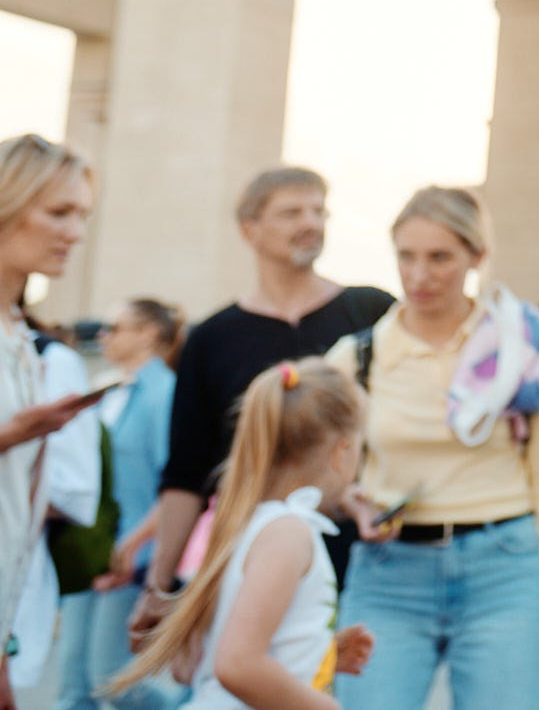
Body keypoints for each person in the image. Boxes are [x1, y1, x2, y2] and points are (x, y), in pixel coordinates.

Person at [331, 187, 539, 710]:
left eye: (439, 257)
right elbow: (320, 475)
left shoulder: (523, 348)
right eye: (406, 256)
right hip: (389, 575)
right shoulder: (356, 357)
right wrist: (351, 502)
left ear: (477, 256)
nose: (419, 275)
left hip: (504, 570)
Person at [138, 168, 394, 646]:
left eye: (318, 211)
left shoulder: (373, 313)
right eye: (292, 212)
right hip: (257, 562)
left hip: (370, 563)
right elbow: (187, 474)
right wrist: (159, 586)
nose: (310, 223)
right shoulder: (212, 338)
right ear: (249, 229)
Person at [113, 361, 371, 708]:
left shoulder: (253, 524)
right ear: (341, 452)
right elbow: (237, 665)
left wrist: (321, 653)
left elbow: (195, 666)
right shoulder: (288, 533)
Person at [0, 133, 103, 709]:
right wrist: (14, 435)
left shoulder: (21, 337)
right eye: (60, 213)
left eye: (82, 216)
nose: (75, 233)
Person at [57, 297, 184, 710]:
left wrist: (132, 545)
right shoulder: (113, 390)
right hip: (90, 551)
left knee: (110, 680)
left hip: (130, 558)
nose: (103, 336)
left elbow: (177, 487)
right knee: (73, 686)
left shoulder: (165, 394)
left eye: (114, 328)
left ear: (148, 334)